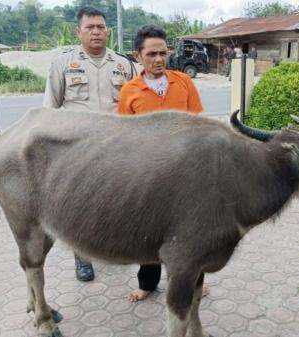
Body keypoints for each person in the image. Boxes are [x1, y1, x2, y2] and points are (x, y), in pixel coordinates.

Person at [43, 6, 137, 282]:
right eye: (90, 27)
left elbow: (135, 104)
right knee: (79, 205)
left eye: (100, 27)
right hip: (77, 150)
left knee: (116, 201)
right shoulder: (63, 64)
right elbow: (49, 108)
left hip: (116, 148)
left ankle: (109, 247)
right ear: (79, 31)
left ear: (107, 31)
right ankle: (82, 256)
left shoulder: (123, 65)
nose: (96, 32)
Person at [117, 25, 208, 301]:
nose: (159, 59)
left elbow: (199, 126)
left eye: (163, 53)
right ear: (138, 56)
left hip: (186, 173)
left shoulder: (184, 82)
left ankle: (195, 283)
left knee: (192, 234)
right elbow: (125, 136)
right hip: (149, 176)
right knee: (151, 234)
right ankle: (147, 284)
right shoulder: (129, 91)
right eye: (151, 54)